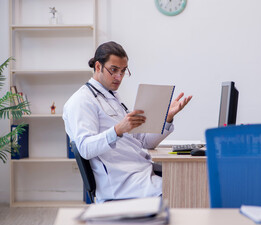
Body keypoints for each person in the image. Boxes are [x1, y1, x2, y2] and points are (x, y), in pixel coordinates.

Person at [63, 41, 191, 203]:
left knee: (189, 181)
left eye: (123, 71)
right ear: (98, 67)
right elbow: (85, 148)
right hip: (121, 184)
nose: (119, 77)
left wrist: (166, 118)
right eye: (114, 70)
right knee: (185, 190)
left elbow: (144, 142)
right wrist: (117, 130)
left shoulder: (112, 97)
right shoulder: (81, 101)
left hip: (140, 173)